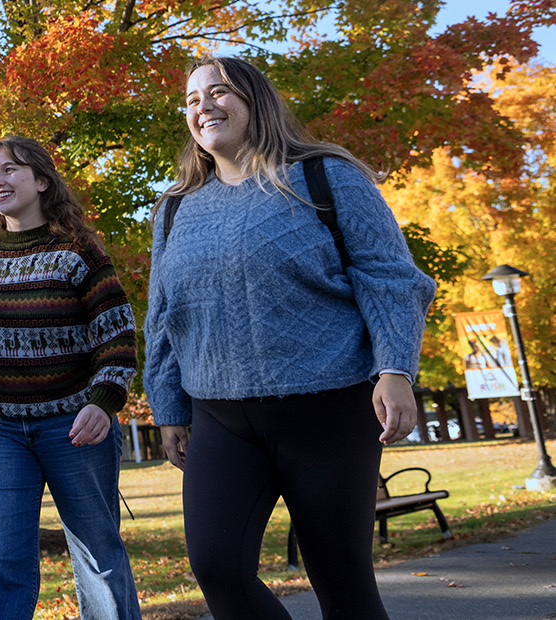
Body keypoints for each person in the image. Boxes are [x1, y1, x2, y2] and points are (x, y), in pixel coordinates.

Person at [144, 56, 437, 619]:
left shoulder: (327, 177)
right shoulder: (175, 208)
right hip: (219, 418)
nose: (203, 106)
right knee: (218, 569)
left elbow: (390, 278)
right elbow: (163, 314)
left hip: (328, 408)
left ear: (257, 101)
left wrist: (396, 369)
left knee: (341, 578)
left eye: (219, 92)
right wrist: (169, 407)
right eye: (191, 99)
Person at [0, 135, 143, 619]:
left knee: (97, 555)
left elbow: (118, 335)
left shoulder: (79, 250)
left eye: (9, 170)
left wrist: (103, 402)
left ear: (42, 181)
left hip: (73, 426)